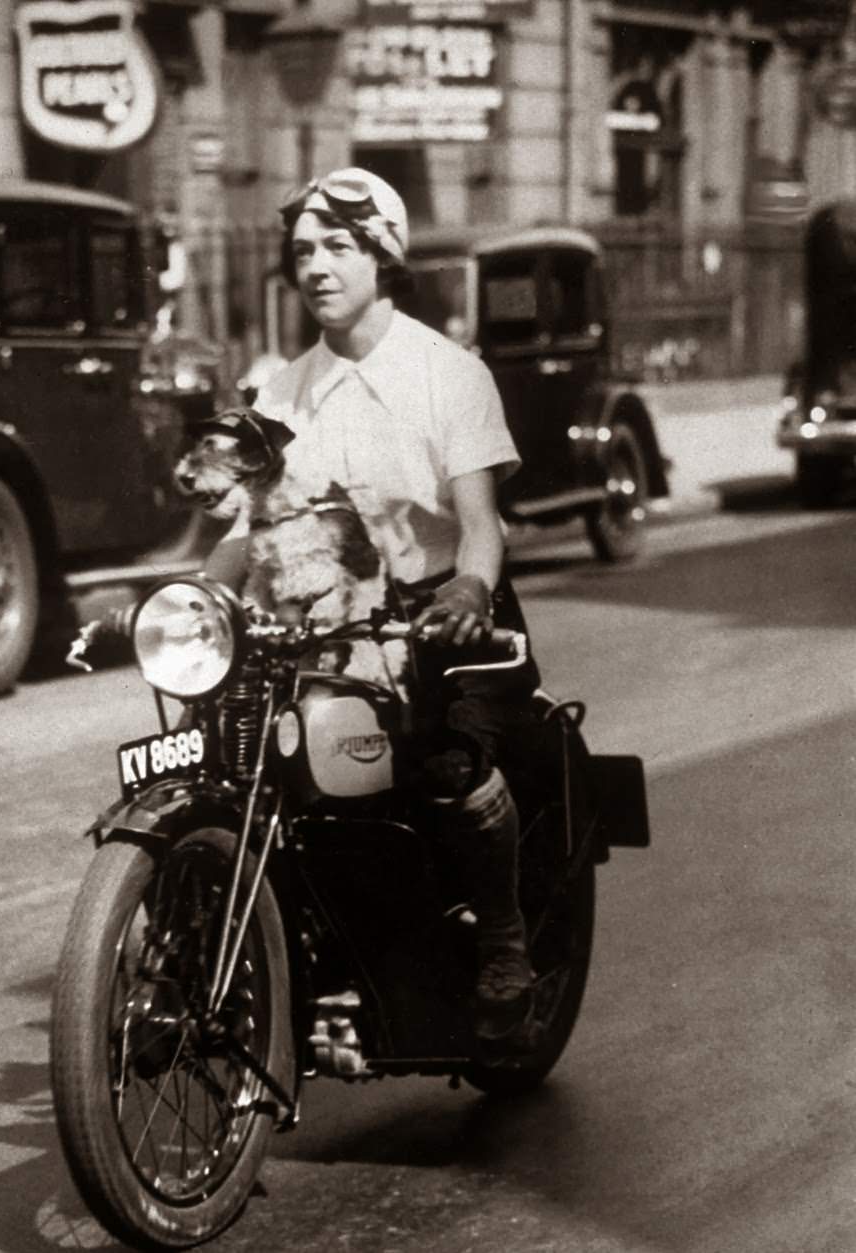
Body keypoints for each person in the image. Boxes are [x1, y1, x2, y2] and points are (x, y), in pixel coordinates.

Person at [253, 167, 541, 1047]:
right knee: (250, 760)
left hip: (443, 617)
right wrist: (191, 596)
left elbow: (483, 525)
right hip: (334, 620)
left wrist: (467, 588)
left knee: (447, 766)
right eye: (303, 250)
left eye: (338, 246)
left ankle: (502, 943)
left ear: (383, 254)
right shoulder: (277, 391)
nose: (317, 266)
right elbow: (245, 525)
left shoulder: (448, 374)